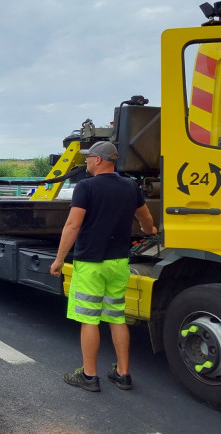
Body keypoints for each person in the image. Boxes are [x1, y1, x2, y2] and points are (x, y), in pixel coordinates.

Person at [50, 141, 156, 392]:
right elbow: (145, 218)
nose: (85, 161)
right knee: (116, 318)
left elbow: (73, 225)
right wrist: (149, 231)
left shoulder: (86, 187)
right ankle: (123, 373)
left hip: (91, 264)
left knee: (89, 320)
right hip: (118, 263)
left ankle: (89, 376)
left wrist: (58, 259)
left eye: (88, 158)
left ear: (99, 160)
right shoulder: (131, 187)